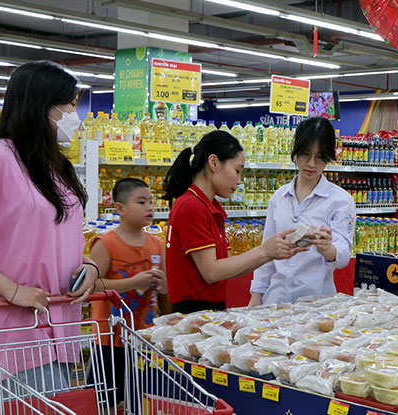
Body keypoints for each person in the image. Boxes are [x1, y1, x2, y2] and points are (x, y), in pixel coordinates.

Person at [0, 61, 98, 390]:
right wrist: (11, 290)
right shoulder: (0, 159)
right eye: (69, 104)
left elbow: (58, 240)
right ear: (42, 105)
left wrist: (90, 267)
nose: (75, 114)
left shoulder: (56, 167)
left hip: (62, 326)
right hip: (15, 330)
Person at [163, 130, 303, 314]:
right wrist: (264, 250)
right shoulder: (191, 206)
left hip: (210, 310)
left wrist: (273, 252)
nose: (239, 181)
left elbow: (228, 268)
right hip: (193, 313)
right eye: (237, 171)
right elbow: (211, 272)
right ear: (213, 162)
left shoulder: (209, 207)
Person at [249, 117, 356, 305]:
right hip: (275, 301)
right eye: (305, 155)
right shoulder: (279, 198)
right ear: (295, 150)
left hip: (317, 304)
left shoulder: (341, 201)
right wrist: (256, 294)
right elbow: (267, 251)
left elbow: (343, 255)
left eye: (320, 158)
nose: (311, 164)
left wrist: (328, 249)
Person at [89, 178, 166, 406]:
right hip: (109, 338)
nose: (150, 207)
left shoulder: (156, 244)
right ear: (120, 208)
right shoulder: (105, 243)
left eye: (151, 201)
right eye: (141, 202)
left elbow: (163, 289)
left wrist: (162, 286)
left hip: (145, 336)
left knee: (141, 398)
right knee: (105, 400)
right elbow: (92, 285)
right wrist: (131, 283)